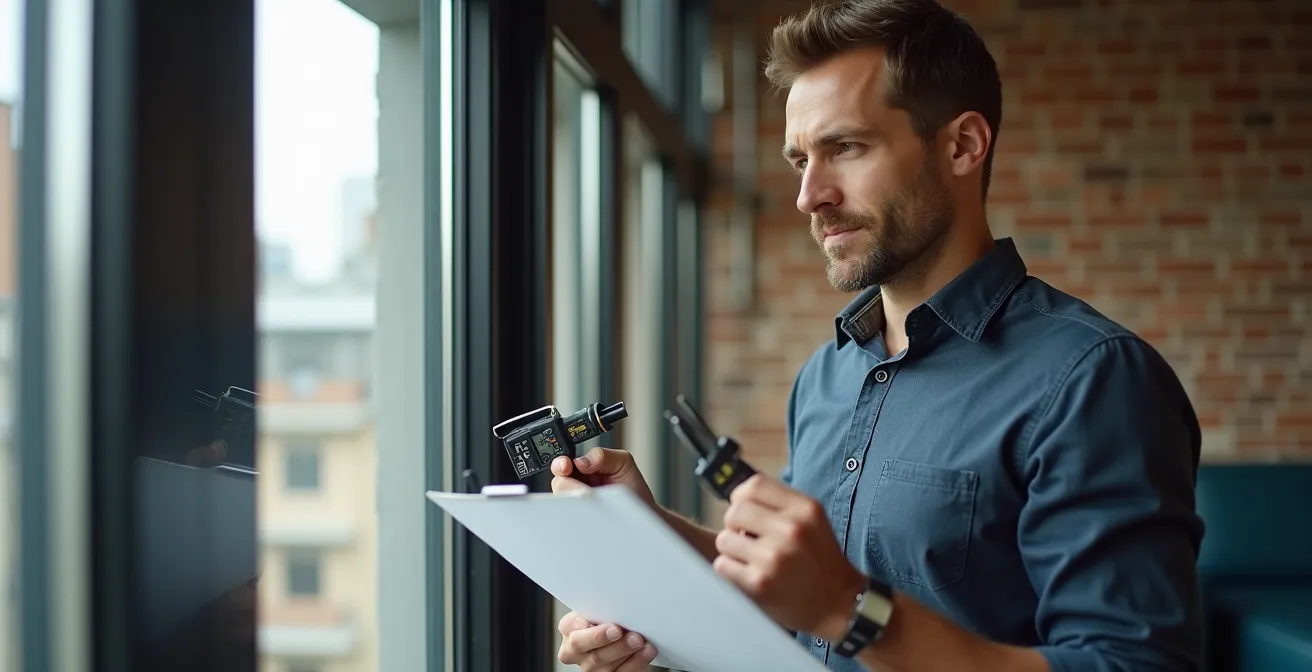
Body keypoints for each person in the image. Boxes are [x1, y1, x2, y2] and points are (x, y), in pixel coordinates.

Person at [553, 0, 1205, 670]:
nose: (810, 194)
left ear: (962, 145)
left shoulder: (1092, 379)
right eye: (799, 158)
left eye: (845, 148)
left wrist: (850, 608)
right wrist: (648, 538)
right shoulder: (826, 375)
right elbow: (794, 601)